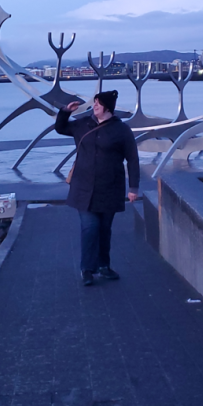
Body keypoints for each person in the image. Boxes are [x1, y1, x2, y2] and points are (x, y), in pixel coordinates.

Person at [55, 90, 140, 286]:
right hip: (83, 187)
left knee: (104, 229)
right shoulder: (83, 124)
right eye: (94, 103)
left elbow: (133, 159)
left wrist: (133, 187)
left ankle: (103, 266)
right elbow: (60, 128)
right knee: (90, 227)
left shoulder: (121, 130)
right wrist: (65, 111)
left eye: (99, 104)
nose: (95, 106)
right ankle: (87, 269)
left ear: (108, 107)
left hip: (109, 188)